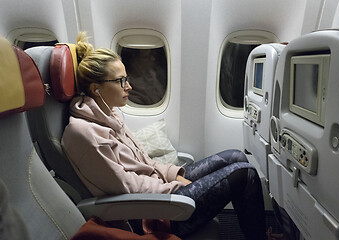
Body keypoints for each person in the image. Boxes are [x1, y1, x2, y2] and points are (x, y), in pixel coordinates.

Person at [61, 32, 267, 240]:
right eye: (121, 81)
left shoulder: (108, 114)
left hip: (157, 189)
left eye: (127, 79)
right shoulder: (84, 134)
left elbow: (144, 161)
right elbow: (126, 187)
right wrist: (176, 186)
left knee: (236, 157)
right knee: (245, 173)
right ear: (96, 89)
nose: (129, 87)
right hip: (149, 213)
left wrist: (173, 174)